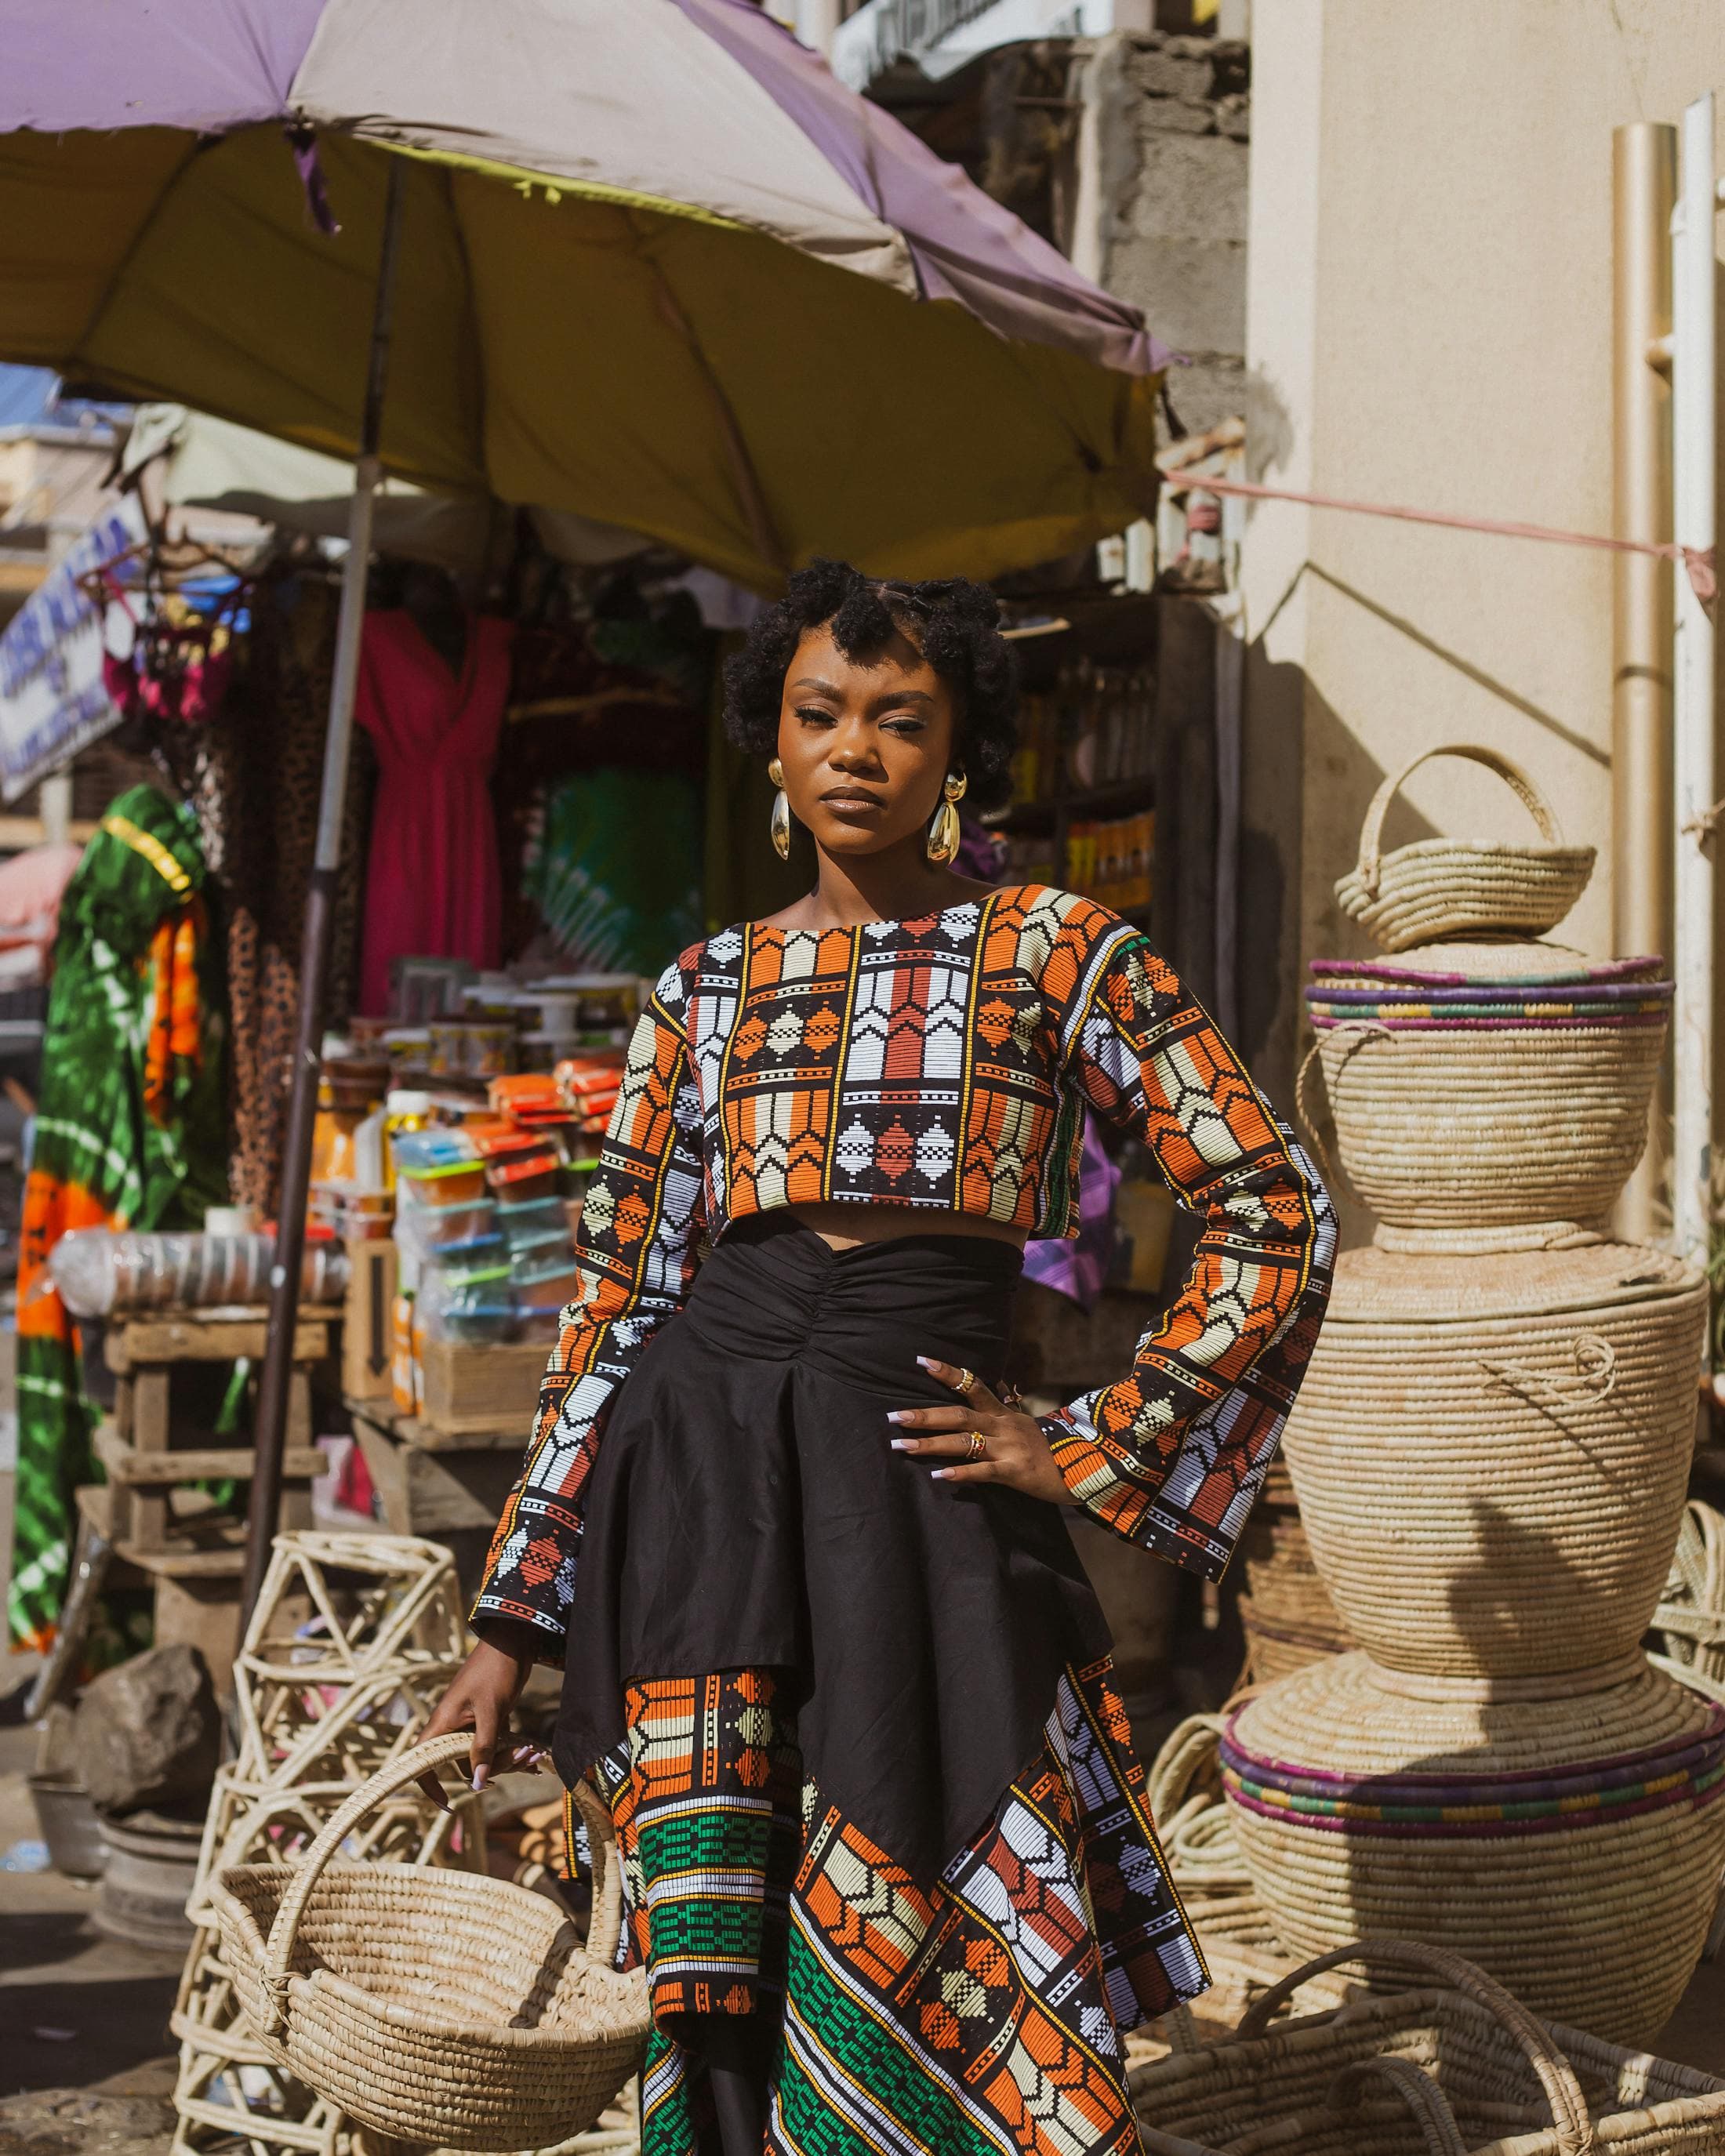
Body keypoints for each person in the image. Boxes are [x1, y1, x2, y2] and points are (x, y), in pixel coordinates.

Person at [426, 560, 1336, 2156]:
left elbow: (1273, 1209)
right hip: (701, 1495)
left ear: (956, 750)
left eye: (899, 719)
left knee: (960, 1887)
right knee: (726, 1954)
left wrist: (1091, 1439)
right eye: (818, 714)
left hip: (922, 1500)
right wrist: (511, 1618)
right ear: (769, 749)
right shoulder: (695, 994)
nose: (855, 747)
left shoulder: (1060, 951)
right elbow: (613, 1311)